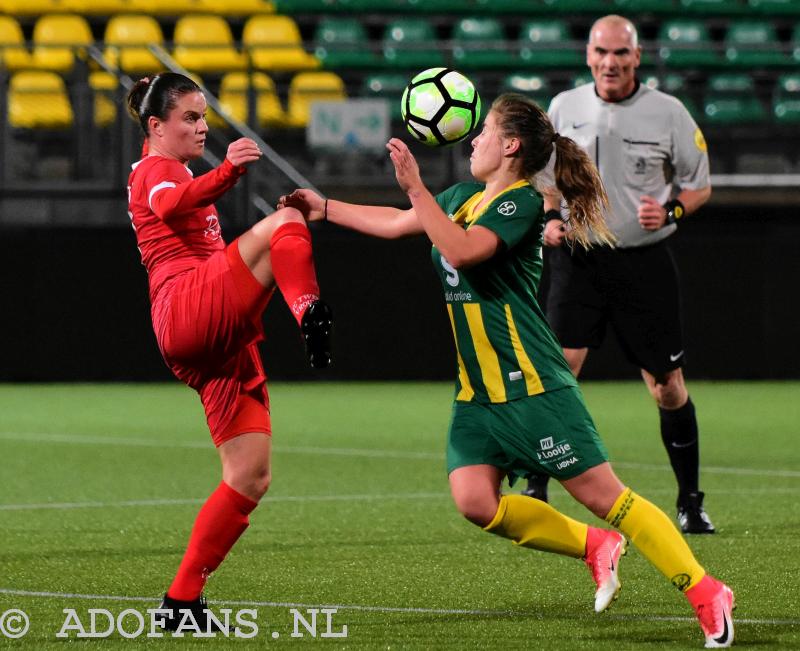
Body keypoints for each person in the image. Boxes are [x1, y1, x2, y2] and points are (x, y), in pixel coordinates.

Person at [279, 94, 734, 647]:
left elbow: (465, 250)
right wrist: (323, 207)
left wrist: (418, 190)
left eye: (485, 133)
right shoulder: (465, 195)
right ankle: (594, 547)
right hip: (477, 394)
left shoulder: (520, 203)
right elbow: (402, 223)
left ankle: (707, 591)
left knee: (609, 497)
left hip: (533, 387)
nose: (473, 141)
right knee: (475, 501)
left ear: (510, 146)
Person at [125, 72, 333, 629]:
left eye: (203, 116)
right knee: (285, 223)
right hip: (185, 307)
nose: (201, 126)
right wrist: (230, 170)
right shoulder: (156, 169)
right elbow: (172, 207)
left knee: (249, 475)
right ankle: (308, 310)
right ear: (155, 125)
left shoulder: (175, 167)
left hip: (210, 334)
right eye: (190, 117)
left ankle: (181, 604)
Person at [522, 15, 715, 536]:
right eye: (602, 52)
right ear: (588, 55)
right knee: (559, 368)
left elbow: (698, 186)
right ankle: (537, 483)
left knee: (667, 386)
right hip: (578, 261)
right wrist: (551, 219)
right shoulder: (564, 107)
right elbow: (547, 183)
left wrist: (672, 211)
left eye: (621, 54)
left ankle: (690, 502)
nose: (610, 63)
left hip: (642, 262)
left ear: (637, 57)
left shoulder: (668, 113)